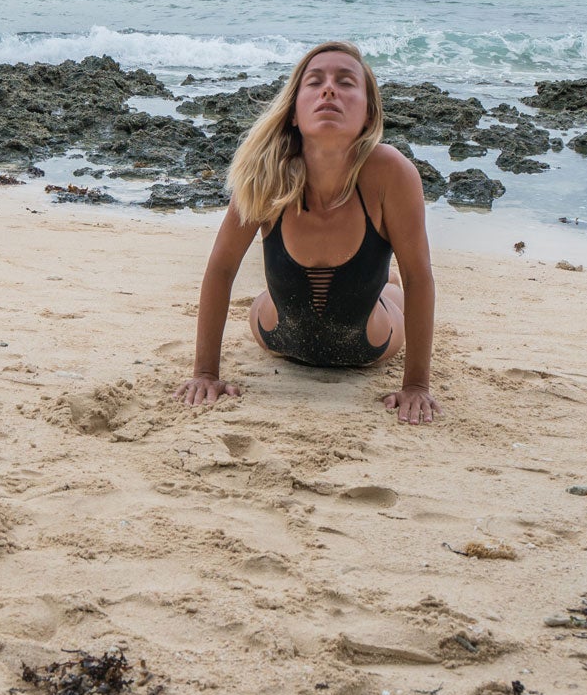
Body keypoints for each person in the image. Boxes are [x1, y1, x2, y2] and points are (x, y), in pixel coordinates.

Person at [174, 40, 438, 424]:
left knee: (396, 289)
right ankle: (380, 284)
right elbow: (221, 267)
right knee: (279, 292)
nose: (329, 88)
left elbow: (419, 275)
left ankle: (386, 287)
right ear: (294, 112)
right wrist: (205, 373)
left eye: (346, 82)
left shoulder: (391, 173)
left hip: (369, 346)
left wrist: (416, 385)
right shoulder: (265, 172)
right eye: (315, 82)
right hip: (278, 336)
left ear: (368, 115)